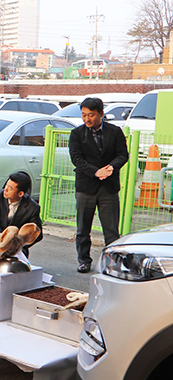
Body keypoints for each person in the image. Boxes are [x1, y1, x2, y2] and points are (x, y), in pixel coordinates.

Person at [69, 96, 129, 273]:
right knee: (82, 229)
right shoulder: (77, 134)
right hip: (86, 187)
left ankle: (113, 263)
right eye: (84, 115)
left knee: (111, 230)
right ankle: (84, 260)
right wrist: (96, 172)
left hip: (108, 187)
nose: (87, 119)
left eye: (91, 115)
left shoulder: (115, 131)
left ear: (102, 114)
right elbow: (77, 159)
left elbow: (123, 155)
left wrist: (111, 167)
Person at [0, 171, 44, 259]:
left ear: (20, 194)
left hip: (14, 240)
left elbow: (38, 234)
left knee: (21, 253)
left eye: (10, 188)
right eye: (6, 185)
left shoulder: (32, 207)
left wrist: (17, 244)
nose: (5, 189)